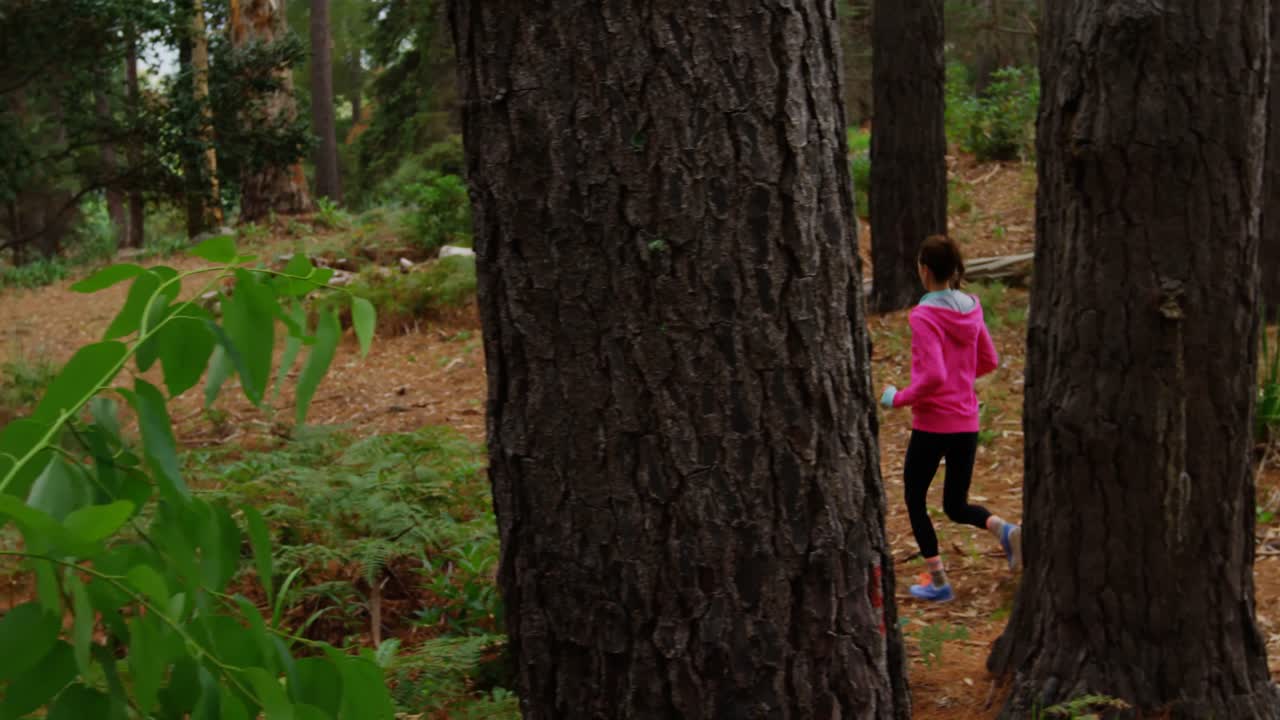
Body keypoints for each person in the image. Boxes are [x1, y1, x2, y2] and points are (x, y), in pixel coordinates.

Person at [880, 235, 1021, 603]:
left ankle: (939, 581)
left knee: (913, 496)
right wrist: (960, 380)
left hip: (933, 425)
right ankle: (1003, 529)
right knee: (955, 505)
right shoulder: (971, 307)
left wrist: (899, 398)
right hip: (966, 423)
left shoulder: (924, 316)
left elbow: (933, 377)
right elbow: (988, 360)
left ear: (924, 270)